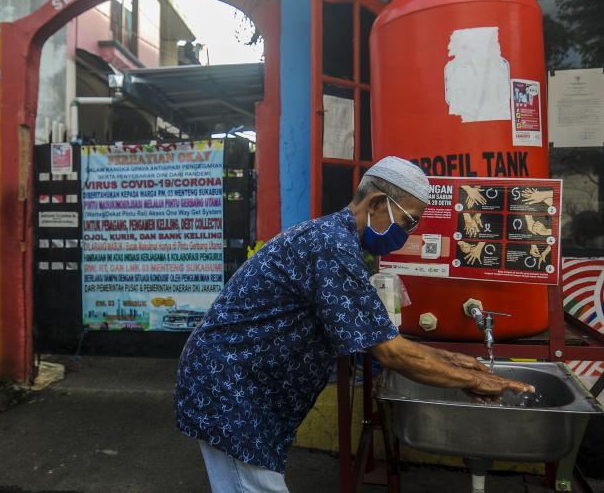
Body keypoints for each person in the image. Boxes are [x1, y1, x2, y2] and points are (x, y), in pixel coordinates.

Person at [174, 156, 534, 493]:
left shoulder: (339, 240)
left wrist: (459, 362)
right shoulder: (331, 246)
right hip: (229, 385)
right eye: (408, 220)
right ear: (376, 203)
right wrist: (476, 379)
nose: (406, 233)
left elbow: (380, 335)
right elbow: (390, 351)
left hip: (247, 386)